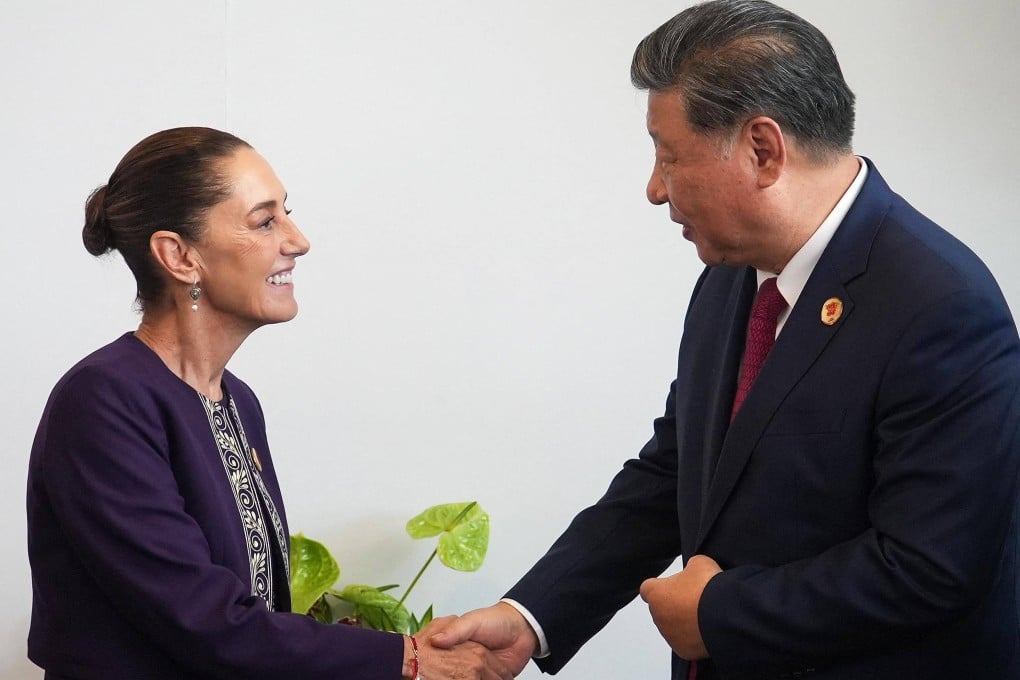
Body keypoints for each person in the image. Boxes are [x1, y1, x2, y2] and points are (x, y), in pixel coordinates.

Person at [429, 1, 1020, 678]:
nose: (655, 190)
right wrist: (532, 616)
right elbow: (675, 472)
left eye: (670, 156)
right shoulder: (733, 278)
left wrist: (718, 614)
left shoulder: (940, 306)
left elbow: (929, 569)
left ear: (762, 150)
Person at [26, 127, 510, 680]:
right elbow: (205, 622)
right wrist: (408, 658)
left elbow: (258, 615)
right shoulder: (103, 401)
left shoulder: (238, 403)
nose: (297, 240)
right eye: (264, 221)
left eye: (286, 213)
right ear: (179, 256)